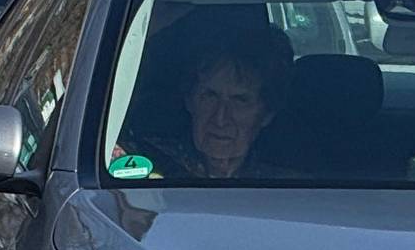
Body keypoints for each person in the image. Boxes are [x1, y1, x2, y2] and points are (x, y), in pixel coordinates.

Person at [120, 28, 292, 179]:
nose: (220, 119)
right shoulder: (137, 162)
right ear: (190, 100)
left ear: (266, 114)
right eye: (210, 96)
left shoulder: (291, 189)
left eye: (239, 100)